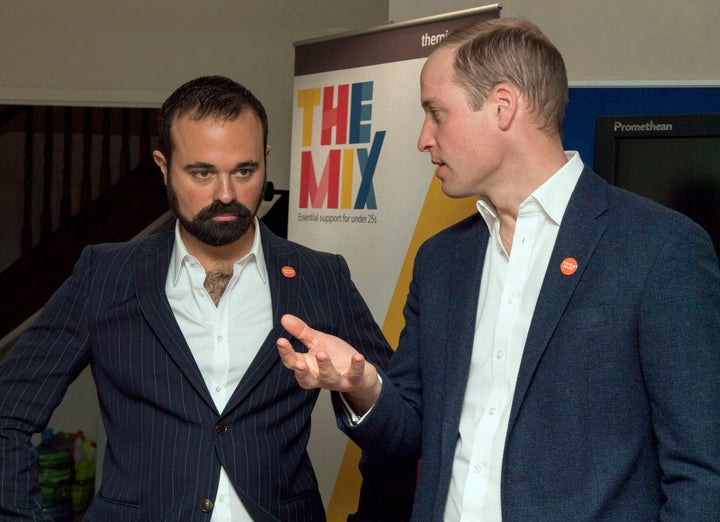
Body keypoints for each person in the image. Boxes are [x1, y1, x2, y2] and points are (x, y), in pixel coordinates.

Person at [277, 18, 720, 521]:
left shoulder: (659, 249)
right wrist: (360, 384)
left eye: (436, 113)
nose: (424, 139)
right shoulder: (442, 261)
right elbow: (408, 435)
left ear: (503, 107)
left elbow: (703, 474)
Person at [0, 75, 411, 521]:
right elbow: (8, 413)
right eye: (202, 172)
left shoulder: (320, 275)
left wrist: (364, 393)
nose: (226, 194)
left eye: (245, 171)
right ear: (163, 166)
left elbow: (404, 429)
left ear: (265, 161)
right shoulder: (105, 274)